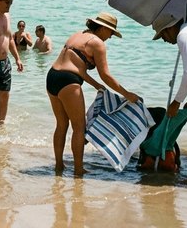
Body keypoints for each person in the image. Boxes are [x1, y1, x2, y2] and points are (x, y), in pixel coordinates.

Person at [46, 12, 140, 176]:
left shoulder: (78, 35)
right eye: (111, 32)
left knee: (61, 125)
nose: (110, 37)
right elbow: (106, 75)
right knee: (79, 127)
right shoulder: (97, 43)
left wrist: (96, 85)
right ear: (103, 28)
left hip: (52, 76)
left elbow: (76, 66)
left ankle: (59, 165)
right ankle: (78, 169)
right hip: (68, 81)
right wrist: (127, 94)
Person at [152, 13, 187, 184]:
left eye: (162, 35)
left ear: (170, 28)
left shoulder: (184, 35)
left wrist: (176, 102)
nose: (163, 40)